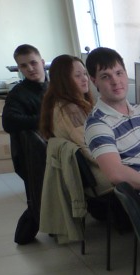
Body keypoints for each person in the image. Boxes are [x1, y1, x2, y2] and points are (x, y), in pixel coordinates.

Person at [83, 46, 140, 221]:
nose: (115, 81)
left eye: (119, 73)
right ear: (94, 81)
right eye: (106, 76)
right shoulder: (98, 124)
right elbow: (117, 174)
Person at [38, 54, 109, 190]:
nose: (85, 79)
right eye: (77, 76)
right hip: (101, 178)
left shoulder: (58, 104)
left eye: (85, 74)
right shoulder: (72, 111)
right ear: (63, 81)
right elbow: (93, 151)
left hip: (94, 174)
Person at [2, 44, 48, 244]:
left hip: (56, 147)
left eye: (33, 63)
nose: (30, 68)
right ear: (18, 68)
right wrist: (45, 120)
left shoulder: (57, 87)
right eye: (23, 66)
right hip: (33, 156)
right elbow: (9, 122)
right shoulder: (18, 93)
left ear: (42, 62)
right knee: (37, 200)